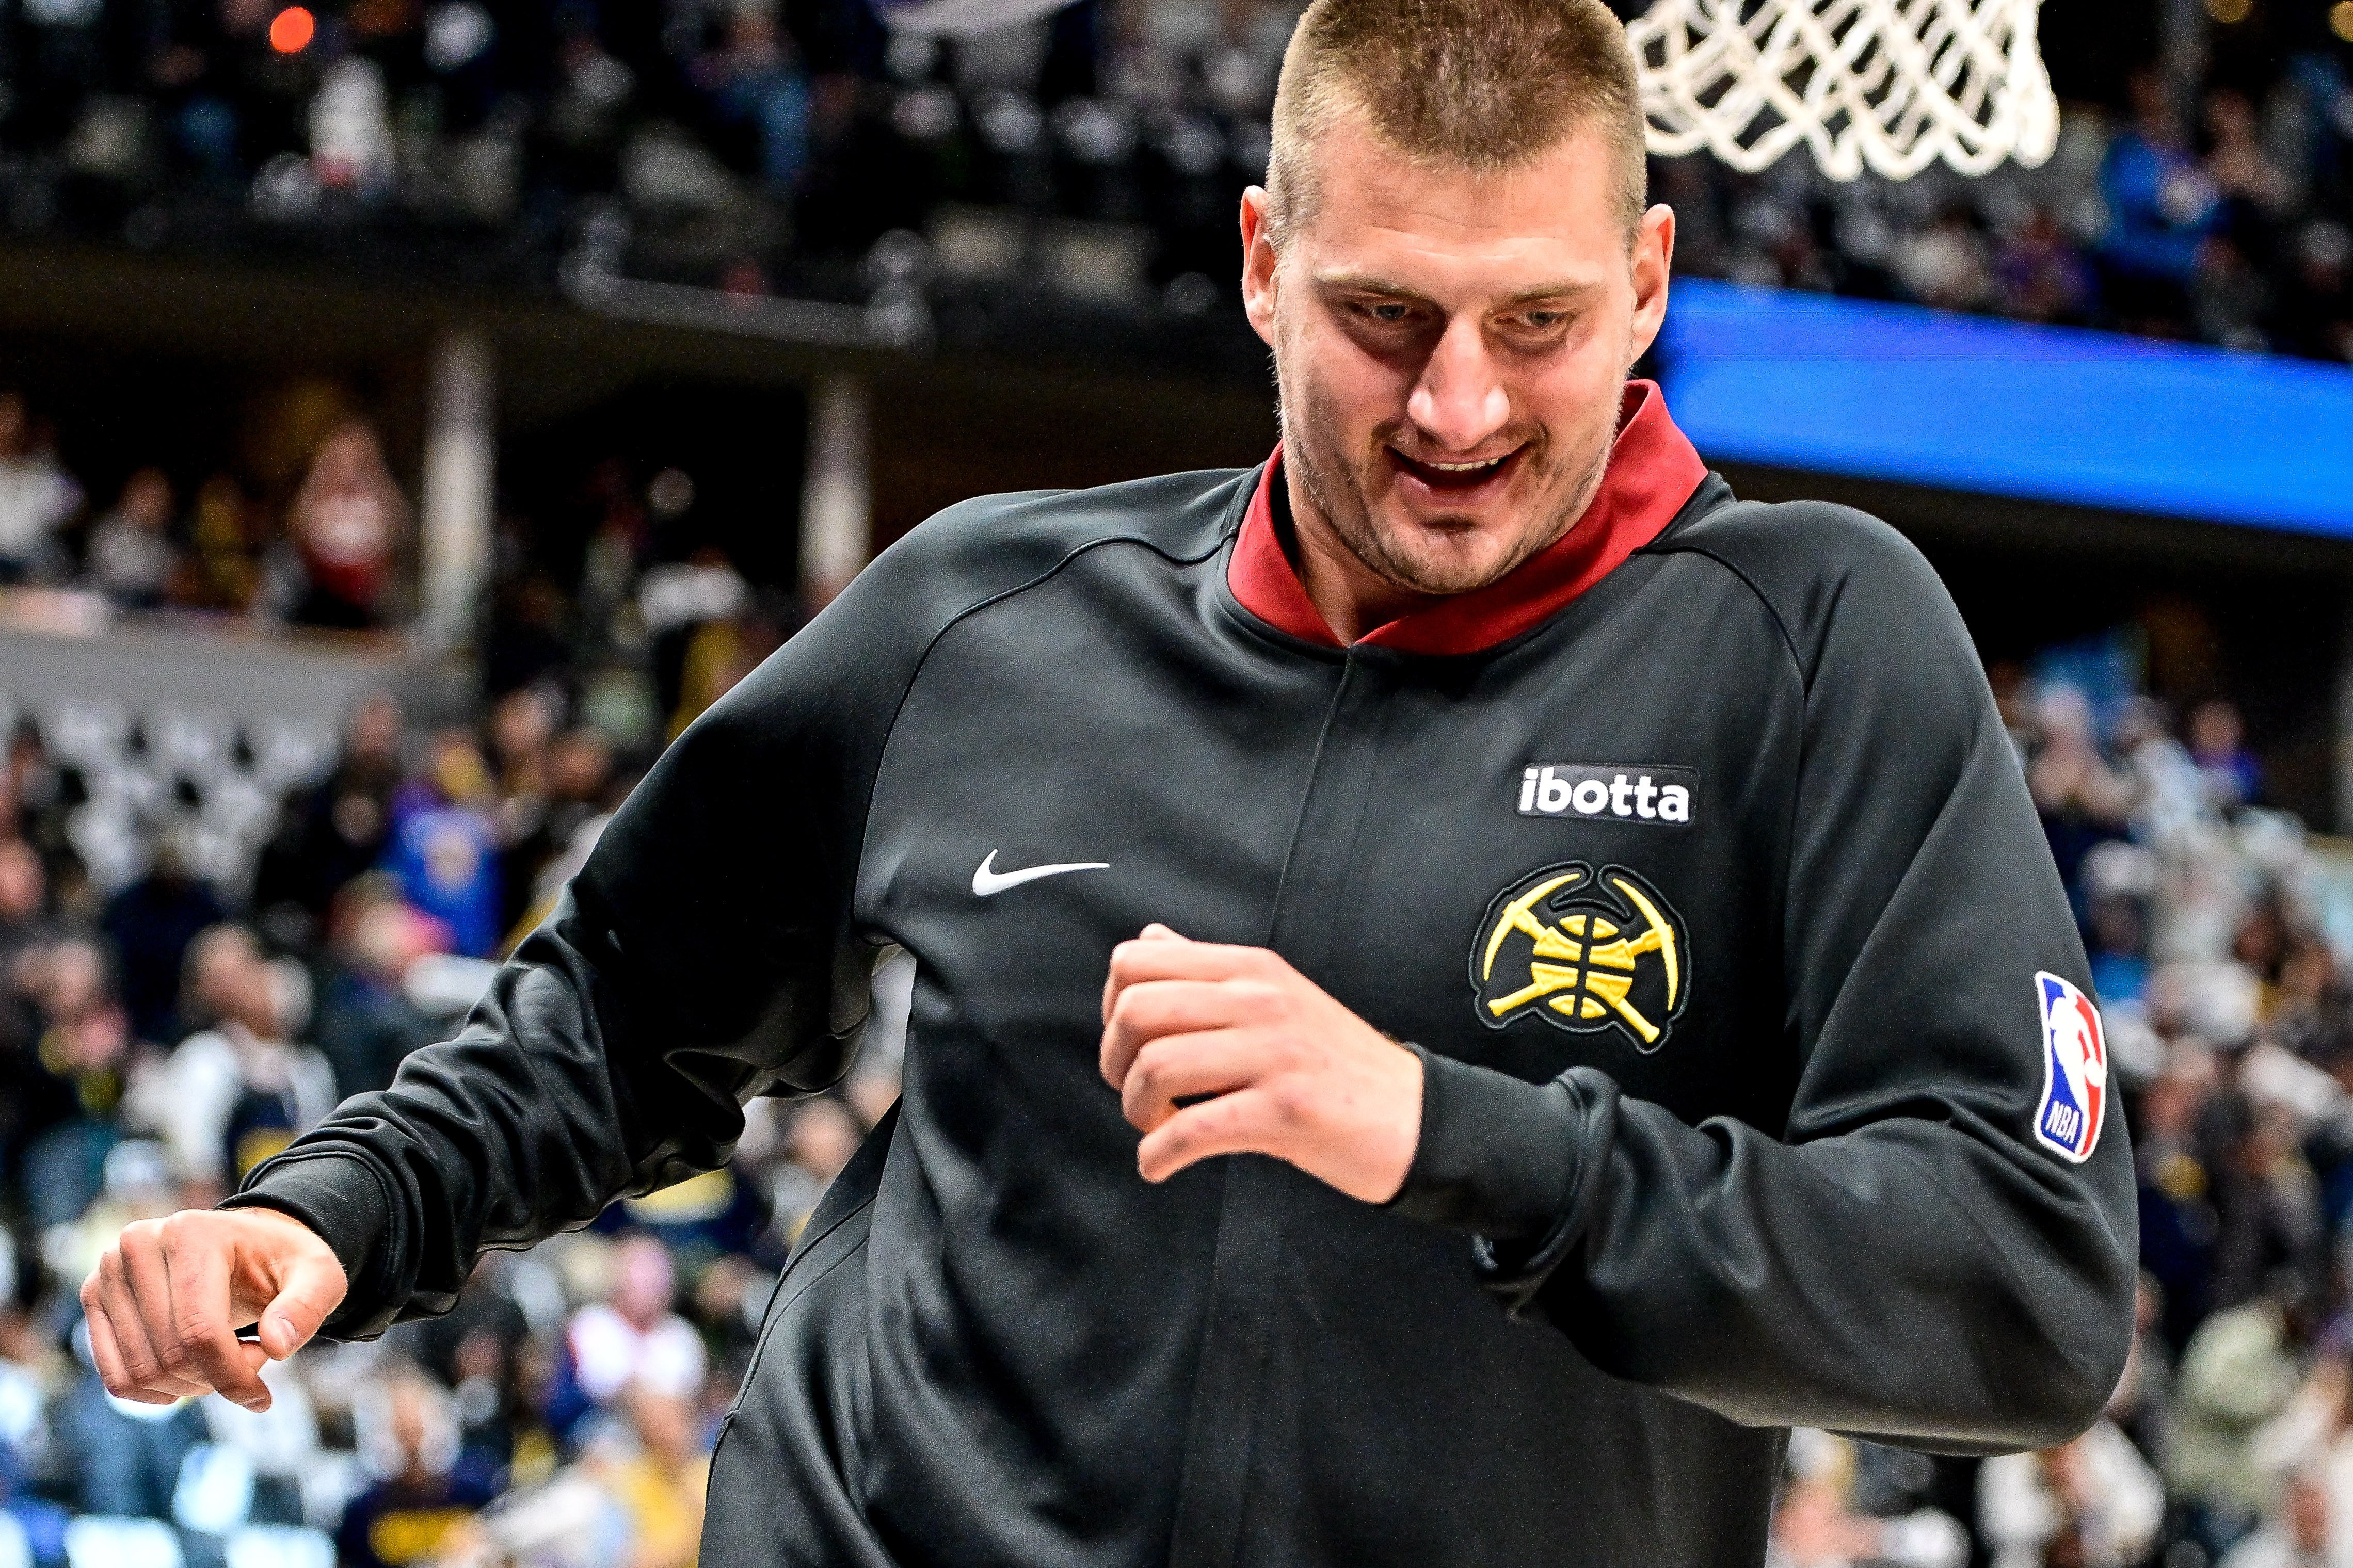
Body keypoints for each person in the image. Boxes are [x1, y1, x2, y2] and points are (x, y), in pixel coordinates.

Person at [84, 3, 2137, 1564]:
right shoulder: (990, 612)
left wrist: (1454, 1133)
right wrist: (335, 1215)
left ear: (1653, 285)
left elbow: (2025, 1288)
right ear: (1261, 263)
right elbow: (624, 1011)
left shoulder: (1811, 648)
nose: (1459, 405)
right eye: (1383, 316)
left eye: (1539, 322)